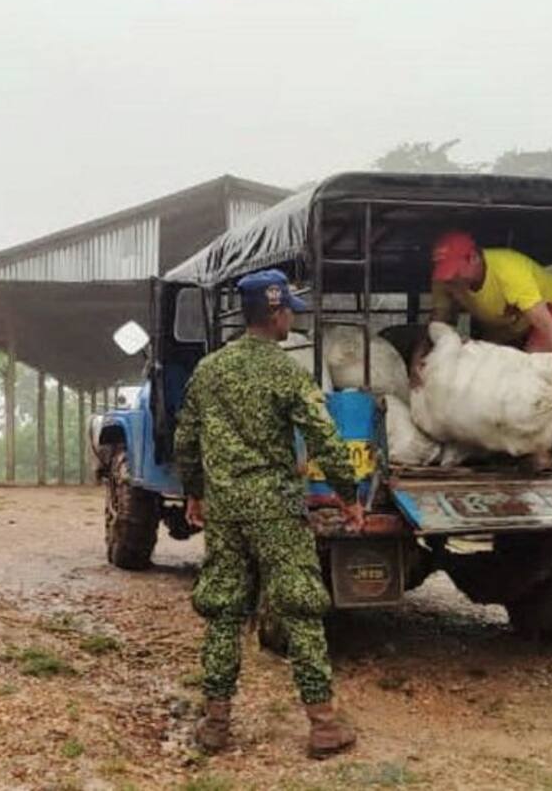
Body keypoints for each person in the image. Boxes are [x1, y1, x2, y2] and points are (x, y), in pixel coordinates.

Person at [174, 268, 363, 759]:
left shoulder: (210, 369)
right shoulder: (286, 372)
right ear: (276, 314)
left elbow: (186, 438)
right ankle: (322, 724)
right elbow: (323, 435)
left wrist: (195, 492)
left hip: (227, 510)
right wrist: (348, 493)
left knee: (223, 609)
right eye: (288, 314)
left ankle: (216, 723)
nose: (290, 323)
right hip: (276, 509)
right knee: (300, 607)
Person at [411, 230, 552, 395]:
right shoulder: (445, 281)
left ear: (474, 258)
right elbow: (438, 323)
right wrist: (417, 359)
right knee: (485, 373)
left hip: (551, 308)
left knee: (532, 372)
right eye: (445, 272)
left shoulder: (510, 272)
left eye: (455, 271)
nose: (451, 279)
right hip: (505, 321)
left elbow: (547, 325)